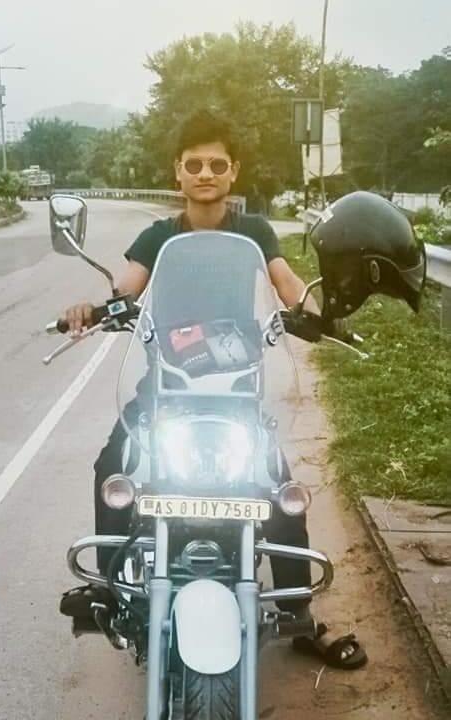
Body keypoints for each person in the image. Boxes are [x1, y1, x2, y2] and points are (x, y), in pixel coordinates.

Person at [63, 110, 367, 670]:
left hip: (235, 387)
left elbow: (286, 282)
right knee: (111, 466)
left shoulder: (253, 232)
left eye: (217, 164)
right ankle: (109, 590)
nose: (206, 173)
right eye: (195, 164)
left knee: (278, 487)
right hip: (168, 385)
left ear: (233, 172)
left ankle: (298, 614)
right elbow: (128, 285)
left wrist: (318, 311)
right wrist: (97, 308)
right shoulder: (159, 235)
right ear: (178, 173)